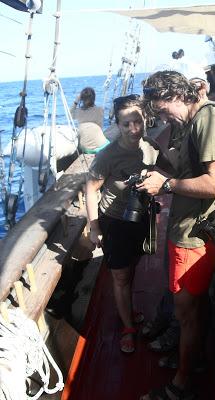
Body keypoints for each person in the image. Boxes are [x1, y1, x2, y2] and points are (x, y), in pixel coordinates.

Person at [138, 70, 215, 400]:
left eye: (163, 110)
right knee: (193, 309)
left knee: (186, 313)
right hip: (200, 229)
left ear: (177, 96)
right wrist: (161, 173)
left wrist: (165, 185)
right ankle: (192, 360)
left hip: (193, 235)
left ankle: (180, 386)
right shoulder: (212, 115)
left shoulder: (206, 121)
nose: (164, 117)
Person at [85, 94, 174, 354]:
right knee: (120, 275)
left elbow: (170, 169)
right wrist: (94, 227)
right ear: (117, 124)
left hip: (141, 218)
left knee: (132, 266)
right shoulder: (108, 156)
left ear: (145, 119)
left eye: (138, 121)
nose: (133, 129)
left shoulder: (151, 146)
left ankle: (127, 312)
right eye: (126, 124)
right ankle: (127, 327)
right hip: (114, 221)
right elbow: (91, 190)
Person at [71, 87, 109, 154]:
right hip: (101, 146)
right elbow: (100, 127)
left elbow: (69, 114)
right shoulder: (100, 110)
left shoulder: (78, 112)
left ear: (81, 98)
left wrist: (76, 101)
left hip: (86, 149)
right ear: (94, 98)